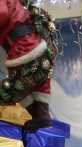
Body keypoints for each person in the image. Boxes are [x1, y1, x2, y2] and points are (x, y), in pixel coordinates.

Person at [0, 0, 56, 130]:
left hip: (23, 52)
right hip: (38, 49)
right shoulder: (20, 6)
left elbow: (2, 13)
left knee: (16, 88)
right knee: (38, 85)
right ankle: (42, 117)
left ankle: (40, 117)